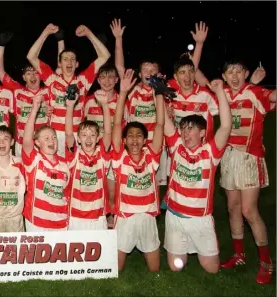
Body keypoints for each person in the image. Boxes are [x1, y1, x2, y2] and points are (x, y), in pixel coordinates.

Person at [112, 19, 209, 186]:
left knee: (155, 184)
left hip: (156, 146)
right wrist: (118, 40)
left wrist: (198, 44)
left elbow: (188, 71)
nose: (149, 73)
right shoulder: (133, 89)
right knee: (133, 182)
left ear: (159, 74)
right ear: (140, 73)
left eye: (153, 70)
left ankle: (156, 209)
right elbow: (120, 68)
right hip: (134, 143)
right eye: (145, 70)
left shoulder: (165, 88)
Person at [162, 79, 232, 274]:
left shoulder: (211, 152)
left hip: (200, 219)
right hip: (175, 216)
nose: (185, 133)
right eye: (183, 128)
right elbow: (164, 122)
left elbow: (226, 126)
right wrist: (158, 95)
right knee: (176, 267)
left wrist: (219, 92)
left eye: (190, 128)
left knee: (212, 270)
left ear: (202, 133)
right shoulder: (176, 147)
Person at [216, 60, 276, 284]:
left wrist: (254, 84)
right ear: (223, 76)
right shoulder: (223, 95)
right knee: (233, 208)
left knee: (250, 211)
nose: (234, 76)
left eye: (238, 71)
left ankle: (266, 262)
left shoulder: (255, 91)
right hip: (229, 157)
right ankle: (239, 254)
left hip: (250, 157)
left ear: (246, 73)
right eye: (229, 72)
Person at [27, 23, 111, 158]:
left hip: (76, 136)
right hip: (53, 135)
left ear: (77, 64)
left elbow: (105, 56)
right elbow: (31, 57)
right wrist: (46, 33)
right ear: (60, 63)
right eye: (65, 59)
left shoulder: (84, 80)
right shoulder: (52, 79)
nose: (69, 62)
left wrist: (89, 34)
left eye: (72, 59)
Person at [111, 69, 165, 272]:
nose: (134, 139)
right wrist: (123, 92)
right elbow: (117, 123)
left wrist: (159, 94)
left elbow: (159, 124)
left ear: (145, 140)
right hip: (125, 217)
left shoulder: (151, 156)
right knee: (115, 271)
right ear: (124, 141)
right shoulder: (119, 157)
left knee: (155, 272)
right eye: (130, 136)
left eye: (139, 136)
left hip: (148, 217)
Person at [0, 32, 52, 157]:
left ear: (41, 76)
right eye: (28, 73)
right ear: (24, 77)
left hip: (44, 144)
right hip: (22, 145)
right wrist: (1, 46)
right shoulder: (17, 91)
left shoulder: (48, 91)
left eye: (36, 72)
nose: (32, 76)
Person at [65, 88, 112, 230]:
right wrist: (70, 107)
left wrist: (104, 105)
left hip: (98, 216)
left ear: (98, 138)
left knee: (101, 252)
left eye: (92, 135)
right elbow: (68, 133)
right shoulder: (74, 154)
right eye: (84, 135)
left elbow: (108, 132)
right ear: (78, 139)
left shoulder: (102, 154)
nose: (89, 138)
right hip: (75, 216)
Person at [21, 95, 70, 231]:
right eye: (46, 138)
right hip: (36, 222)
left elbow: (66, 194)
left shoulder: (65, 165)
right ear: (37, 142)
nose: (51, 141)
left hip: (60, 223)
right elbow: (26, 139)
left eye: (54, 137)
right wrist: (35, 108)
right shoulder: (34, 159)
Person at [83, 63, 120, 227]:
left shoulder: (122, 101)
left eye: (111, 76)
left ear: (116, 79)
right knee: (94, 185)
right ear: (97, 79)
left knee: (112, 188)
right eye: (103, 77)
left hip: (113, 150)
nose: (107, 81)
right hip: (92, 151)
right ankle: (94, 214)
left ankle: (111, 216)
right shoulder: (89, 101)